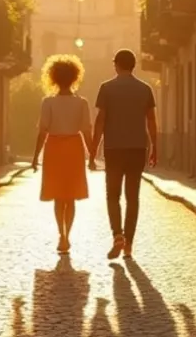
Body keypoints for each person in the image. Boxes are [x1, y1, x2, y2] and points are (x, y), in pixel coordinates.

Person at [90, 49, 158, 260]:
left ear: (116, 65)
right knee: (132, 197)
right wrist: (155, 147)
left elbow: (100, 121)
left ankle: (117, 235)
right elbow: (151, 121)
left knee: (113, 195)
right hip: (138, 148)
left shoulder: (106, 88)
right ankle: (129, 243)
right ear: (133, 65)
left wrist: (93, 151)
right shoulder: (145, 89)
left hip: (113, 149)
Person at [32, 54, 91, 254]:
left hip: (54, 148)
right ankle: (68, 234)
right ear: (75, 77)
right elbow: (86, 131)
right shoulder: (82, 103)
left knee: (58, 196)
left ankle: (61, 235)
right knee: (71, 196)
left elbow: (42, 132)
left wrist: (34, 157)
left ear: (53, 77)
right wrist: (92, 156)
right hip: (74, 148)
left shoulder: (47, 102)